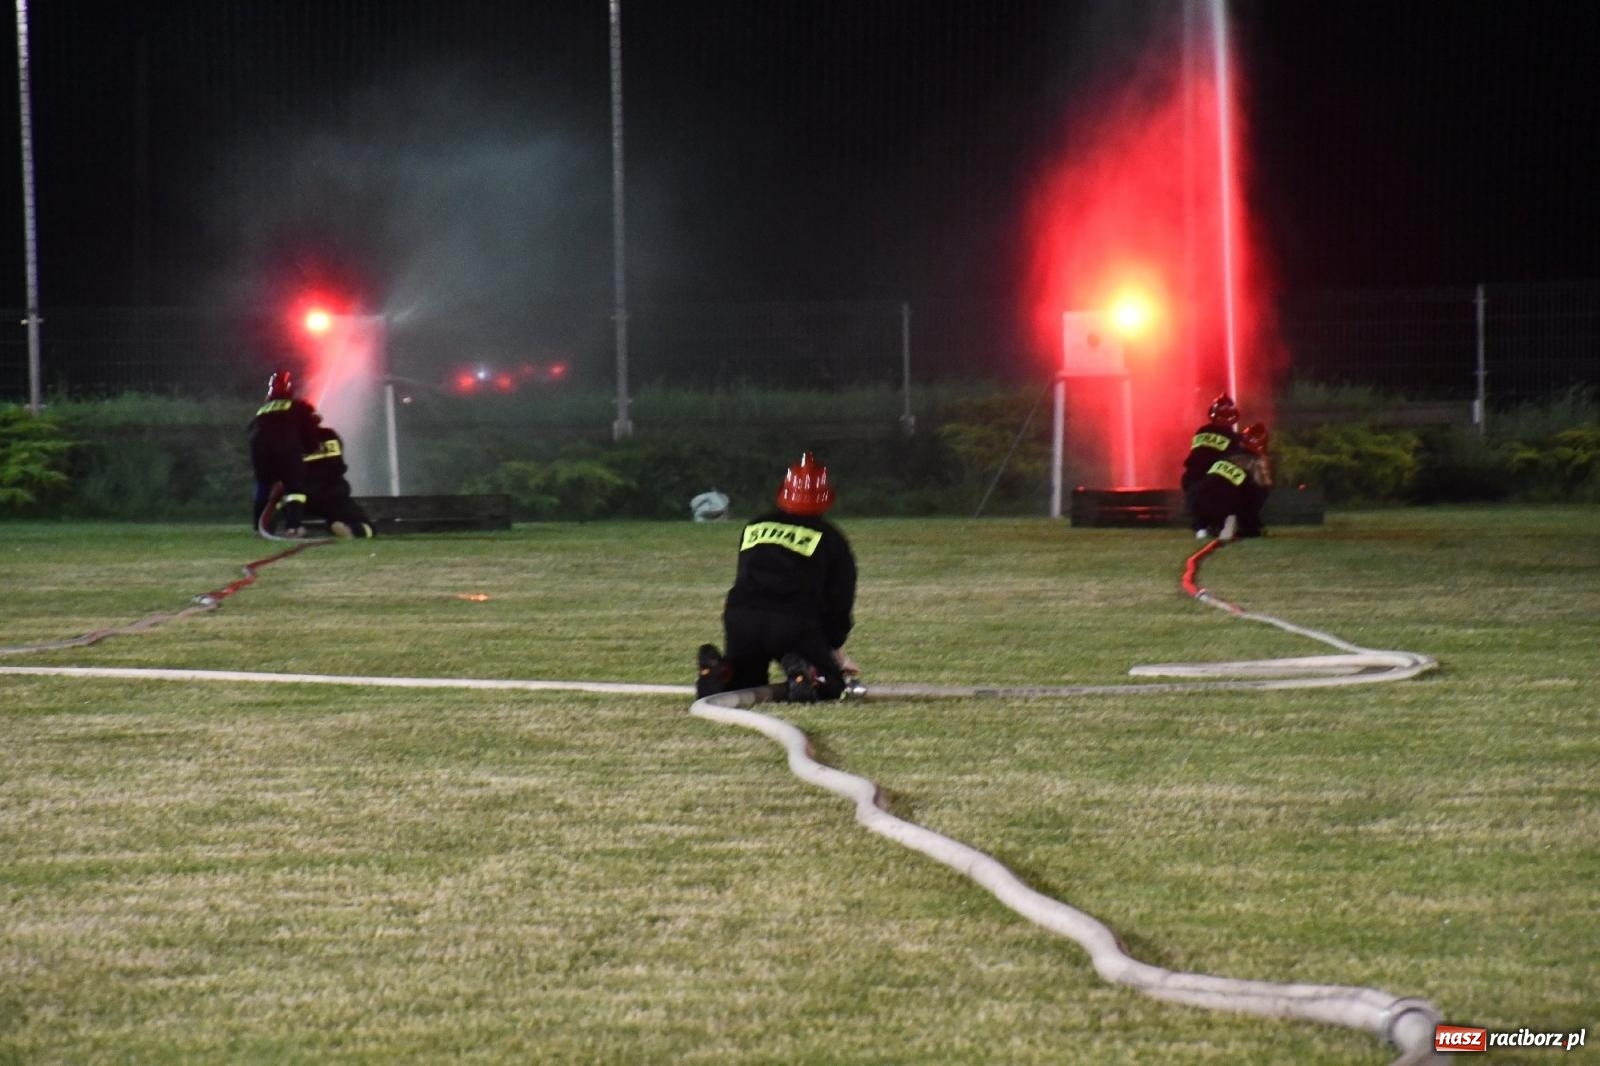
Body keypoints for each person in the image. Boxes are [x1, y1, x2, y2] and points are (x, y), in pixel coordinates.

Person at [697, 452, 859, 702]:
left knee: (745, 687)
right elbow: (840, 598)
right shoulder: (830, 538)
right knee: (832, 685)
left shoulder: (756, 526)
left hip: (742, 616)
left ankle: (723, 674)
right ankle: (807, 675)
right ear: (825, 498)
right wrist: (833, 649)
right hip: (793, 622)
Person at [248, 370, 321, 537]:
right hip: (287, 451)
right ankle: (293, 528)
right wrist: (311, 447)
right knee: (295, 489)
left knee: (263, 487)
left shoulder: (263, 410)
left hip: (260, 454)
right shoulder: (298, 407)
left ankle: (259, 528)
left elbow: (251, 431)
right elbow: (309, 432)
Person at [1191, 421, 1273, 541]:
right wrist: (1252, 529)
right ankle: (1221, 527)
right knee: (1252, 494)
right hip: (1221, 508)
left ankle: (1203, 528)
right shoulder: (1254, 465)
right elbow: (1253, 501)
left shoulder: (1227, 455)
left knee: (1217, 493)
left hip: (1197, 505)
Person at [1182, 393, 1243, 537]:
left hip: (1191, 478)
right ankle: (1221, 523)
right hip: (1214, 480)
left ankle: (1202, 527)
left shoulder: (1201, 431)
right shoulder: (1234, 438)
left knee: (1197, 499)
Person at [303, 418, 376, 538]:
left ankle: (295, 529)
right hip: (334, 492)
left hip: (300, 499)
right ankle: (350, 529)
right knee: (365, 526)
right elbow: (338, 466)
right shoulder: (328, 435)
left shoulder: (285, 439)